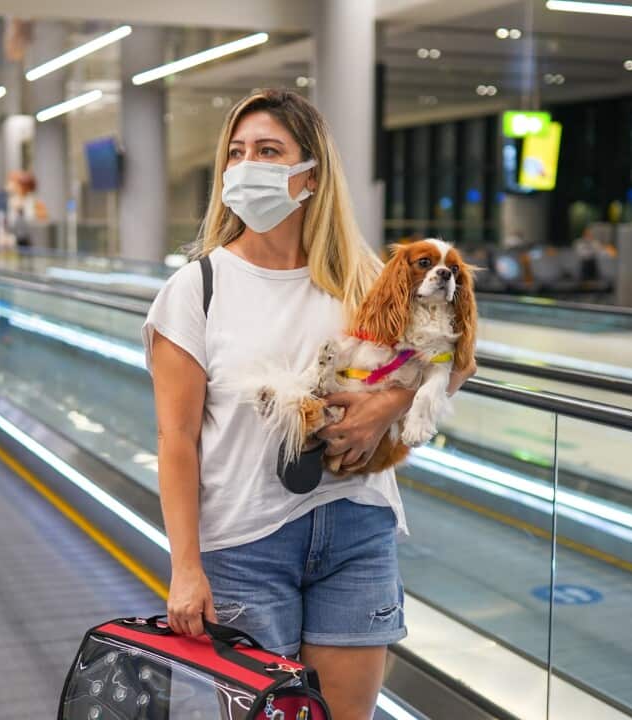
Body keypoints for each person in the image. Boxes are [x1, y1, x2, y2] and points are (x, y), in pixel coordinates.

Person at [143, 89, 476, 719]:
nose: (247, 167)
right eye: (236, 154)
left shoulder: (364, 280)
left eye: (269, 151)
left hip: (356, 529)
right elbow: (175, 440)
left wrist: (390, 403)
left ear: (310, 176)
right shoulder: (196, 290)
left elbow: (454, 360)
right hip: (245, 543)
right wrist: (185, 567)